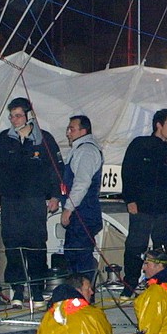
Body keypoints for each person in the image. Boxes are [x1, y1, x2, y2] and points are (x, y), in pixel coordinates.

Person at [0, 97, 63, 303]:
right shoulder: (3, 140)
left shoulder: (44, 140)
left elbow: (57, 170)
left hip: (35, 201)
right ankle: (18, 291)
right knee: (13, 246)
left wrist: (55, 196)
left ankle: (37, 290)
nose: (15, 120)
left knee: (36, 246)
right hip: (10, 201)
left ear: (29, 116)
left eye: (18, 115)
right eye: (12, 116)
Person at [120, 108, 167, 294]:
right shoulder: (140, 145)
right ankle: (130, 284)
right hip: (142, 207)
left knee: (162, 249)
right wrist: (130, 199)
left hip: (165, 211)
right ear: (159, 125)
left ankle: (161, 286)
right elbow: (128, 172)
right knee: (135, 246)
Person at [60, 114, 105, 285]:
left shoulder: (86, 151)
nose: (68, 133)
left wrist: (68, 208)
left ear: (83, 130)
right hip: (83, 211)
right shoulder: (80, 149)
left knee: (79, 256)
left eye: (71, 129)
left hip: (83, 212)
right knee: (75, 254)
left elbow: (82, 182)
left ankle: (83, 296)